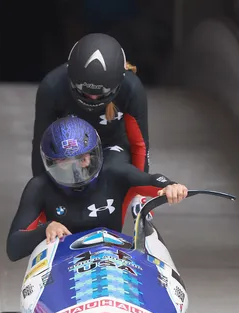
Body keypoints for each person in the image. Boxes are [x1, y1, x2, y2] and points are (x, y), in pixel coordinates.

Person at [7, 116, 188, 262]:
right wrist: (45, 229)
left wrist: (170, 186)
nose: (76, 170)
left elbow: (150, 180)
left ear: (93, 155)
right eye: (65, 163)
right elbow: (13, 248)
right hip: (63, 265)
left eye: (82, 159)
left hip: (111, 261)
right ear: (51, 163)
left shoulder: (115, 173)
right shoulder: (39, 187)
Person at [31, 32, 153, 224]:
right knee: (66, 178)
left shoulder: (131, 89)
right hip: (71, 148)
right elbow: (41, 144)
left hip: (112, 146)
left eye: (100, 94)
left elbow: (139, 144)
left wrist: (139, 194)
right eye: (85, 93)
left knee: (113, 172)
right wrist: (40, 202)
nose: (93, 99)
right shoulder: (52, 87)